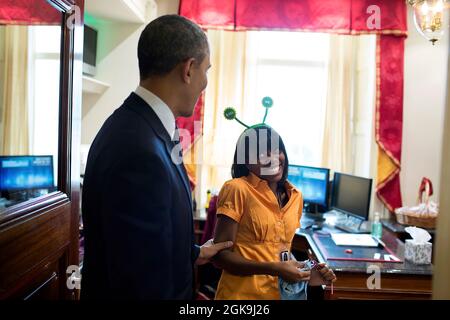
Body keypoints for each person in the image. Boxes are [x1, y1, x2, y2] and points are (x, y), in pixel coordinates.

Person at [81, 14, 232, 300]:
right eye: (206, 70)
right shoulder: (138, 151)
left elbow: (141, 244)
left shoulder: (143, 127)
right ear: (188, 69)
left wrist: (194, 253)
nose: (205, 83)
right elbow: (141, 284)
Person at [213, 125, 336, 299]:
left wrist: (307, 273)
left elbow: (280, 254)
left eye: (277, 150)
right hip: (242, 296)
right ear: (247, 162)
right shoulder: (237, 189)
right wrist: (274, 268)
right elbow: (220, 256)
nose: (274, 158)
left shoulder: (296, 196)